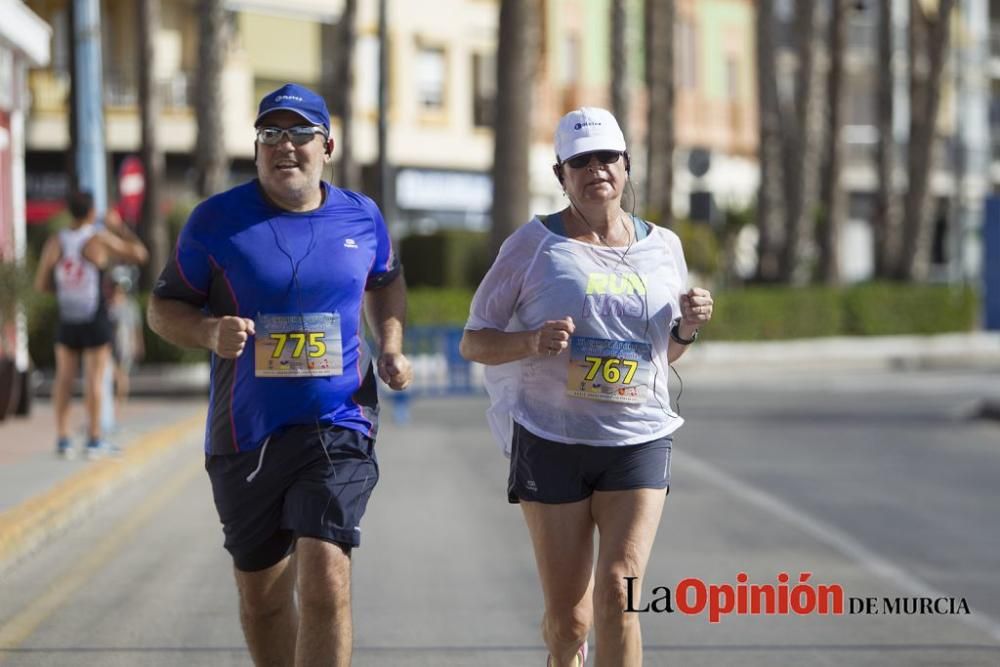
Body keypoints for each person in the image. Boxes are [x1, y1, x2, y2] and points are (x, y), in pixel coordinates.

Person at [147, 83, 412, 667]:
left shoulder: (361, 217)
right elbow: (163, 307)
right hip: (246, 435)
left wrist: (389, 344)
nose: (284, 146)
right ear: (258, 146)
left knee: (326, 578)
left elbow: (386, 279)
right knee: (263, 601)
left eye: (299, 133)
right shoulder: (216, 222)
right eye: (271, 133)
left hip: (338, 423)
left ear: (328, 146)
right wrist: (207, 333)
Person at [460, 107, 714, 667]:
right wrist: (531, 343)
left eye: (607, 158)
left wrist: (687, 328)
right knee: (569, 621)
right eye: (581, 161)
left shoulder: (663, 245)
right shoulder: (532, 246)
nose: (596, 169)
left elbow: (661, 354)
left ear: (626, 166)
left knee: (619, 596)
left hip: (637, 438)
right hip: (552, 439)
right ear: (561, 175)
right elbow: (474, 341)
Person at [34, 192, 148, 459]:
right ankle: (94, 439)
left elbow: (41, 284)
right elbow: (140, 254)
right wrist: (118, 226)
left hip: (68, 316)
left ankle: (63, 438)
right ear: (91, 212)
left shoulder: (56, 241)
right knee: (95, 380)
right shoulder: (97, 238)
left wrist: (62, 290)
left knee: (63, 379)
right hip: (94, 316)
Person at [107, 266, 144, 417]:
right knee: (110, 373)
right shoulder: (107, 304)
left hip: (124, 343)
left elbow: (135, 328)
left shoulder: (130, 306)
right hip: (108, 342)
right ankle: (109, 406)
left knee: (122, 374)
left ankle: (119, 407)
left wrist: (139, 345)